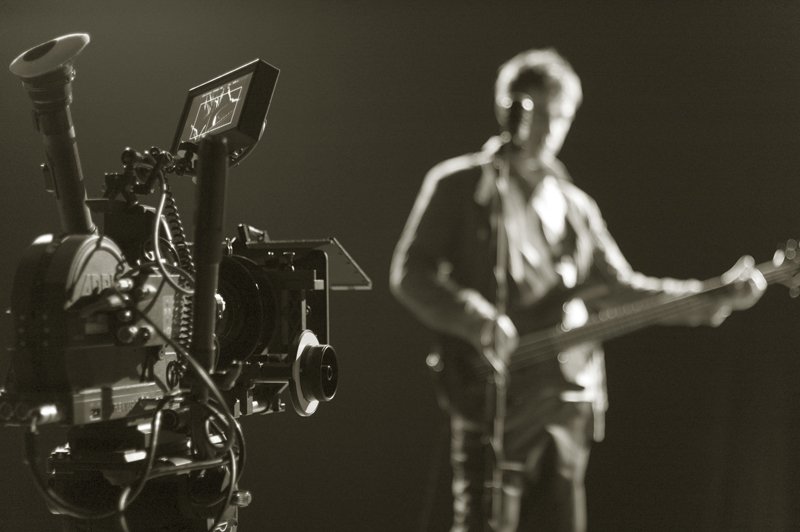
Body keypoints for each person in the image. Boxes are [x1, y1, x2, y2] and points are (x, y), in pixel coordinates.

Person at [389, 48, 767, 532]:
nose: (550, 130)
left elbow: (622, 289)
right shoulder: (458, 184)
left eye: (562, 117)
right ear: (508, 108)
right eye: (539, 114)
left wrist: (714, 295)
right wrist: (475, 317)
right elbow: (410, 272)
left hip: (569, 401)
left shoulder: (576, 207)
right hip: (491, 397)